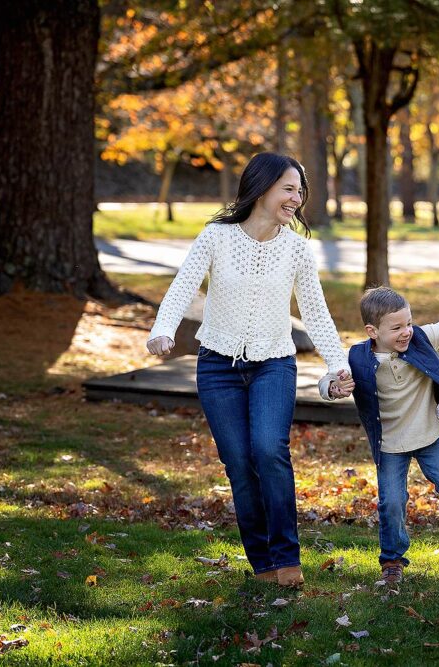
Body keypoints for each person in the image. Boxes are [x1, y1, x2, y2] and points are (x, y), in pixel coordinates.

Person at [146, 152, 354, 588]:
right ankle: (263, 564)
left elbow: (315, 312)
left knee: (268, 450)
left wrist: (337, 365)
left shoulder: (296, 248)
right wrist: (162, 329)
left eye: (300, 191)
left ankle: (287, 557)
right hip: (217, 366)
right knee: (239, 463)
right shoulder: (216, 236)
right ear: (261, 188)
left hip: (274, 364)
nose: (297, 198)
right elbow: (183, 286)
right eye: (288, 189)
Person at [343, 286, 439, 585]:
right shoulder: (357, 359)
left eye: (409, 323)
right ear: (372, 331)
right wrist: (332, 388)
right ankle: (392, 560)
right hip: (390, 445)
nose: (406, 332)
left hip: (429, 436)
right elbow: (330, 378)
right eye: (396, 328)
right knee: (391, 502)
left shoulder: (420, 338)